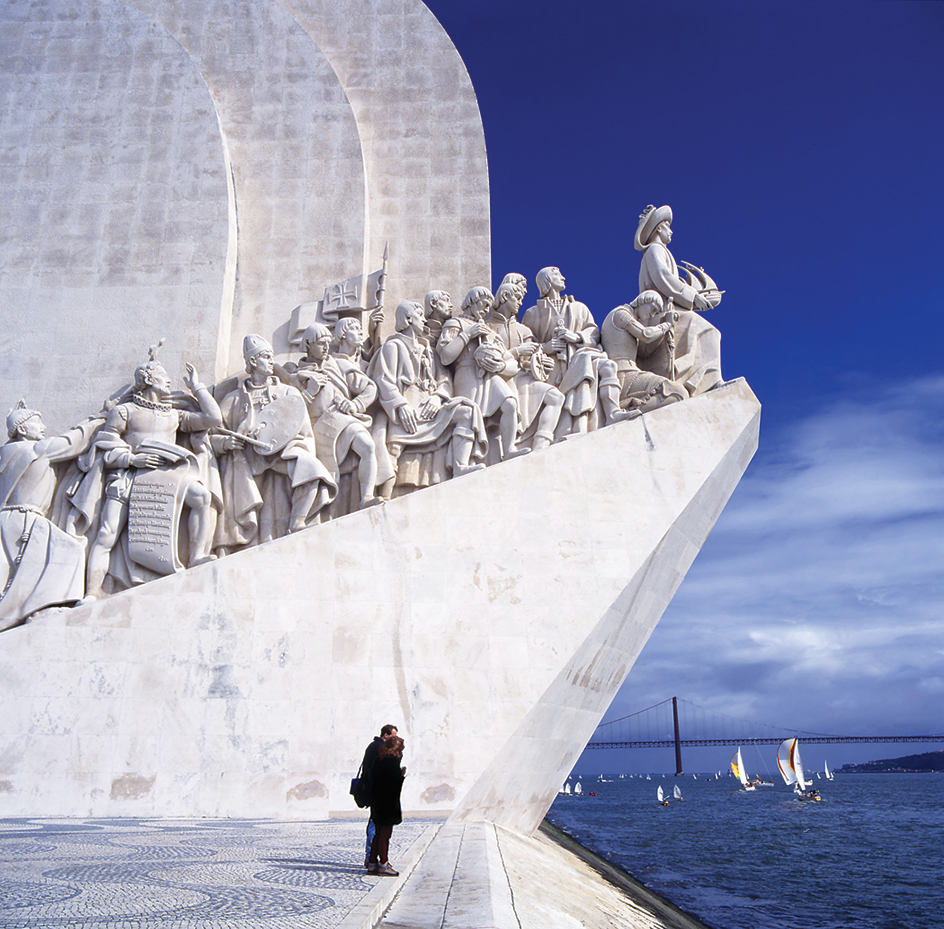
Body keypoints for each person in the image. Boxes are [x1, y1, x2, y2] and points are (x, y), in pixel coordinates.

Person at [83, 358, 223, 599]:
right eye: (163, 374)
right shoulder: (125, 411)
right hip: (130, 475)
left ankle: (197, 555)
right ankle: (91, 593)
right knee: (107, 532)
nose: (169, 379)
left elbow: (213, 419)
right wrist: (131, 459)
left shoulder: (174, 416)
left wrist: (197, 387)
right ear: (148, 379)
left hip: (165, 477)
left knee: (201, 496)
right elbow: (103, 445)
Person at [212, 335, 337, 553]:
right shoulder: (232, 400)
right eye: (266, 357)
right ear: (252, 362)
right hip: (248, 458)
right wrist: (226, 442)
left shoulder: (288, 392)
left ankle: (298, 520)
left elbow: (303, 430)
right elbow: (211, 435)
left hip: (283, 452)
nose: (272, 362)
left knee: (313, 469)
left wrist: (286, 442)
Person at [0, 401, 105, 628]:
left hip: (7, 519)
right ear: (21, 429)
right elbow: (72, 442)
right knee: (72, 551)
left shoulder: (5, 452)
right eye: (37, 423)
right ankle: (37, 608)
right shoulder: (35, 450)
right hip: (26, 518)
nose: (44, 427)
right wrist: (100, 418)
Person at [369, 301, 486, 496]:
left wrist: (438, 397)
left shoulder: (429, 351)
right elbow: (383, 380)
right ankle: (383, 495)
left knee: (468, 411)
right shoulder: (393, 346)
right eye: (419, 315)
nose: (424, 319)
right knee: (393, 446)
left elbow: (445, 379)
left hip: (430, 407)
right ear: (408, 319)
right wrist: (400, 405)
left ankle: (460, 466)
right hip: (407, 408)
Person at [283, 323, 383, 511]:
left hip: (341, 419)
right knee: (315, 475)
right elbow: (289, 412)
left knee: (368, 445)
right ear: (308, 345)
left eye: (328, 342)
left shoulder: (337, 364)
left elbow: (370, 388)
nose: (326, 347)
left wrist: (355, 404)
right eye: (321, 343)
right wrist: (309, 392)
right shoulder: (294, 374)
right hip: (316, 430)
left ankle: (367, 497)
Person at [520, 267, 626, 436]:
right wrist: (546, 347)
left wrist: (575, 336)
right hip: (552, 367)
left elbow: (593, 331)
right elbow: (525, 347)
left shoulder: (579, 307)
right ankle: (571, 430)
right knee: (583, 368)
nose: (563, 277)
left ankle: (612, 413)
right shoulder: (532, 313)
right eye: (557, 274)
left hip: (580, 355)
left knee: (606, 366)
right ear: (546, 280)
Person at [634, 204, 723, 395]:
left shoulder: (661, 251)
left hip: (672, 309)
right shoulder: (654, 250)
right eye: (668, 226)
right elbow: (663, 278)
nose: (671, 231)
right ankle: (703, 381)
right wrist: (693, 297)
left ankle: (704, 380)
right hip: (661, 313)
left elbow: (669, 280)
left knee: (708, 331)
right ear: (659, 227)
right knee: (707, 330)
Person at [437, 287, 524, 461]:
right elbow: (446, 356)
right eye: (484, 305)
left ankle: (509, 450)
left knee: (510, 404)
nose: (486, 310)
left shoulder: (489, 331)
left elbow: (510, 360)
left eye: (488, 307)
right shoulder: (455, 324)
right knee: (471, 418)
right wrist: (468, 334)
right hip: (466, 374)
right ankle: (463, 462)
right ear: (472, 302)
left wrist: (500, 366)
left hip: (490, 376)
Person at [486, 282, 563, 451]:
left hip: (521, 377)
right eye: (518, 298)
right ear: (505, 297)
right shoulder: (487, 326)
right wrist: (517, 351)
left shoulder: (523, 329)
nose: (521, 302)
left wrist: (541, 364)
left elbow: (528, 361)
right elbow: (490, 358)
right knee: (510, 405)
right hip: (498, 378)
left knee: (556, 397)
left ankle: (540, 446)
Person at [600, 290, 688, 416]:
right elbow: (646, 334)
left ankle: (631, 409)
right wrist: (667, 324)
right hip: (623, 375)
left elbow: (645, 350)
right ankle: (629, 413)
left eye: (655, 312)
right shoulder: (621, 314)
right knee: (677, 392)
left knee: (678, 393)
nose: (652, 315)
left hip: (630, 372)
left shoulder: (630, 321)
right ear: (643, 301)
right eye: (652, 309)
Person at [359, 723, 398, 870]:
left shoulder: (374, 746)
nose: (395, 739)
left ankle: (372, 859)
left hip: (373, 790)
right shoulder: (379, 748)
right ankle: (372, 859)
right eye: (393, 736)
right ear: (386, 735)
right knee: (376, 826)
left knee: (374, 824)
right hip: (377, 792)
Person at [367, 735, 406, 876]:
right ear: (395, 750)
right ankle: (383, 864)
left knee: (378, 833)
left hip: (377, 802)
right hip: (387, 803)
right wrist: (401, 776)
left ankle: (372, 862)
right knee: (385, 834)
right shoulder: (391, 763)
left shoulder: (378, 760)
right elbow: (393, 786)